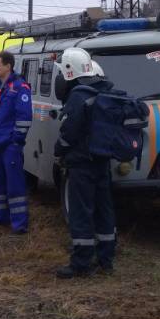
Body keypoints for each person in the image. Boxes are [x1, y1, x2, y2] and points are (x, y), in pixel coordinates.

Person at [53, 48, 117, 278]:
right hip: (102, 161)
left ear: (69, 71)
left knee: (81, 213)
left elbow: (68, 133)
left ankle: (81, 263)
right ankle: (106, 259)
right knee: (104, 210)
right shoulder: (104, 90)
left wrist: (58, 150)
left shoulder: (78, 97)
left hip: (81, 165)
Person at [0, 50, 33, 234]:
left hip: (10, 145)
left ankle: (19, 223)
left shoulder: (20, 88)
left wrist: (16, 140)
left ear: (8, 66)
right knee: (0, 182)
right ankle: (1, 216)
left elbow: (24, 117)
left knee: (14, 183)